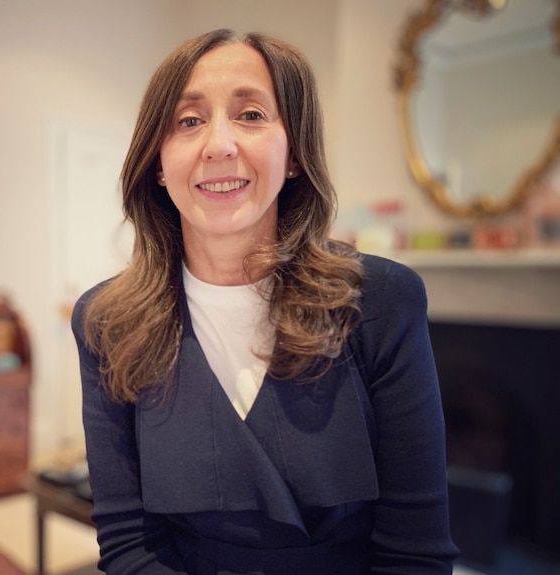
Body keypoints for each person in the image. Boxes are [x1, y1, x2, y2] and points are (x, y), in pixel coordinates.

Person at [71, 28, 458, 574]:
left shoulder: (382, 300)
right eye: (188, 121)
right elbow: (129, 546)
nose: (220, 144)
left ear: (294, 152)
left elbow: (415, 554)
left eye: (251, 115)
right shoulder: (106, 321)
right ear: (159, 162)